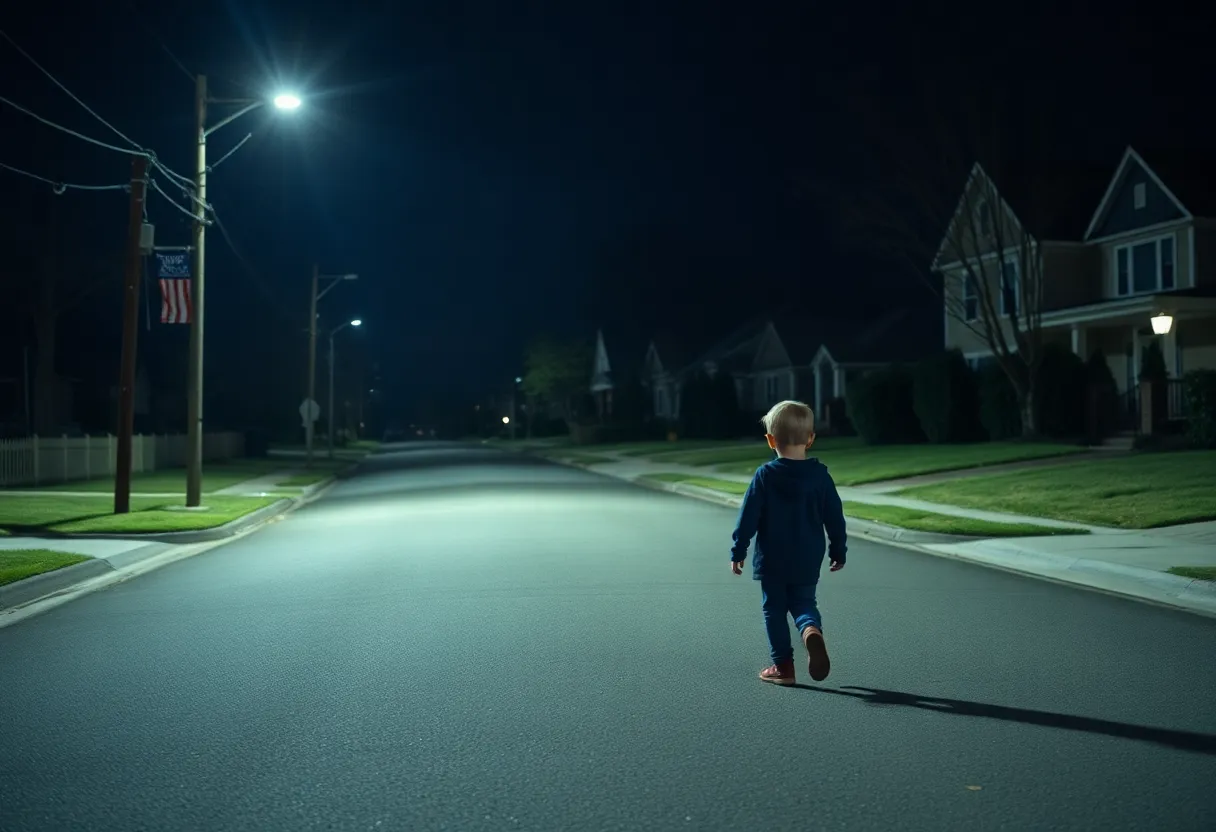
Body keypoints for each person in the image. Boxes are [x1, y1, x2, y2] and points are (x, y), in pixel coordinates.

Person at [730, 399, 847, 686]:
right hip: (808, 557)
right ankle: (810, 629)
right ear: (811, 438)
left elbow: (748, 518)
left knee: (774, 609)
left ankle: (783, 666)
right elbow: (835, 517)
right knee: (804, 602)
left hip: (773, 559)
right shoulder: (820, 476)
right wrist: (838, 549)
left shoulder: (765, 476)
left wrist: (739, 549)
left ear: (770, 440)